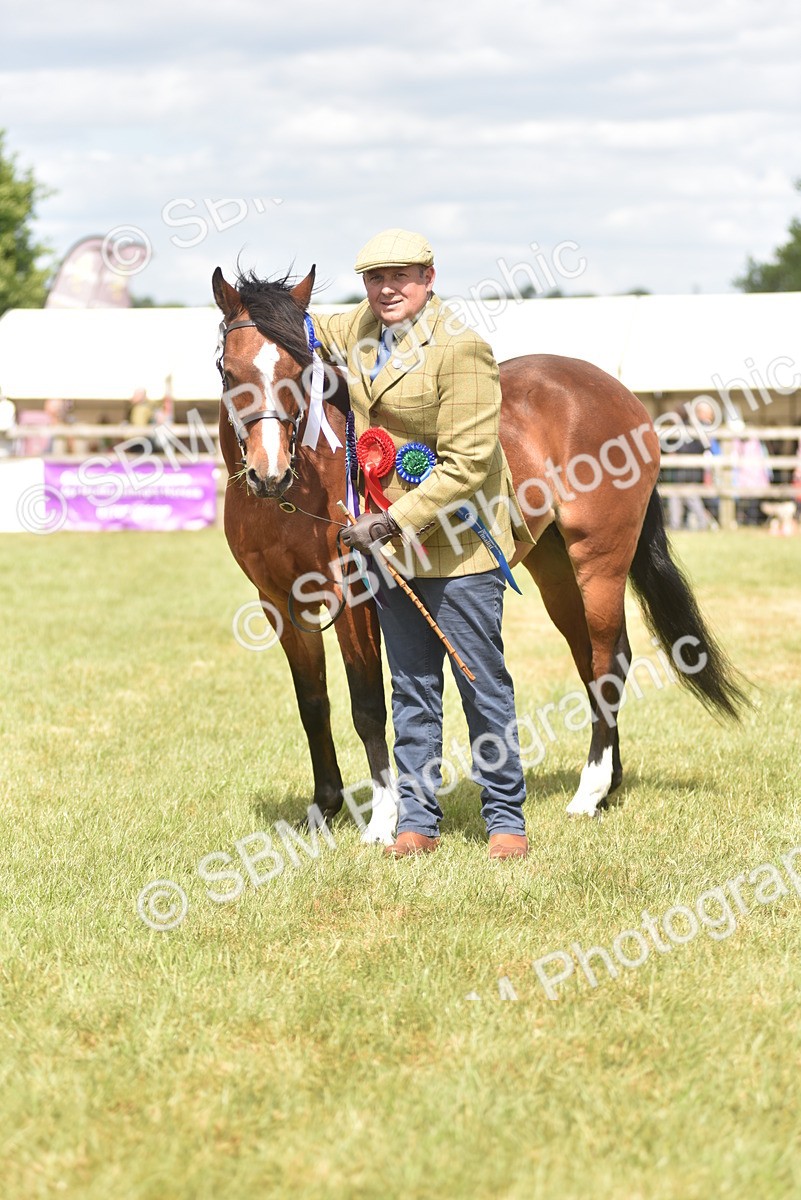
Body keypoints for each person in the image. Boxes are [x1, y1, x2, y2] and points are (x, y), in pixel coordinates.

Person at [313, 229, 534, 860]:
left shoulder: (462, 349)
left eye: (401, 277)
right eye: (375, 278)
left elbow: (467, 462)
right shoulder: (358, 328)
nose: (387, 289)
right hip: (395, 555)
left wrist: (386, 522)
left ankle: (505, 819)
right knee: (410, 685)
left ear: (429, 278)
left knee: (480, 683)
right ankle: (418, 819)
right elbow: (305, 326)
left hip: (458, 545)